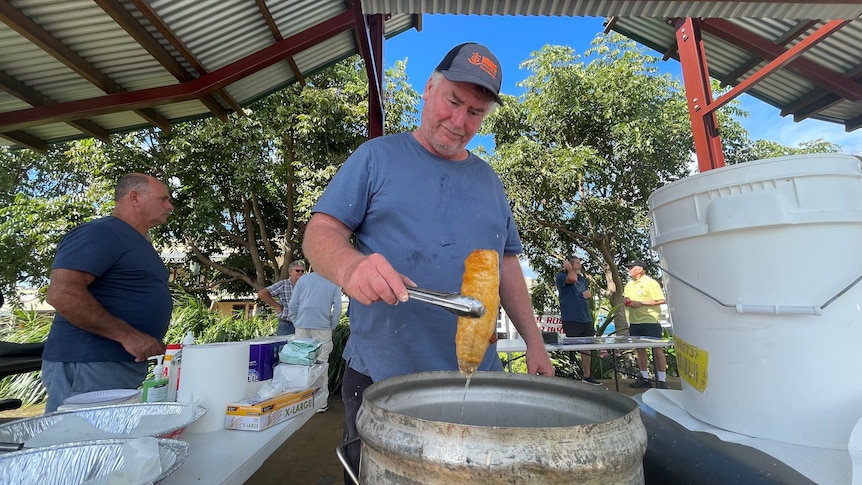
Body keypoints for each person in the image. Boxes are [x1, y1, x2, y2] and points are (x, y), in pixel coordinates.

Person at [303, 42, 555, 479]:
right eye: (453, 101)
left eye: (475, 113)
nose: (459, 122)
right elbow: (319, 233)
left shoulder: (489, 180)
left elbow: (507, 264)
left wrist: (534, 341)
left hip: (476, 383)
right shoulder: (376, 157)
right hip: (383, 379)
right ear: (429, 89)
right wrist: (350, 267)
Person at [41, 173, 174, 413]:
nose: (169, 206)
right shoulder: (102, 233)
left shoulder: (136, 241)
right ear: (134, 197)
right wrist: (128, 336)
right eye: (163, 199)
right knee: (77, 442)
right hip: (90, 364)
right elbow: (62, 293)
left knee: (108, 443)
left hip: (117, 364)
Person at [287, 270, 342, 413]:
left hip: (302, 325)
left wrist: (296, 321)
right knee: (321, 364)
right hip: (322, 327)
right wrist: (331, 326)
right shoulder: (334, 282)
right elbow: (337, 309)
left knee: (300, 364)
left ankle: (300, 401)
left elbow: (292, 304)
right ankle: (320, 403)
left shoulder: (303, 280)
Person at [623, 260, 669, 389]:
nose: (629, 270)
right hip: (634, 322)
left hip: (650, 321)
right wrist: (627, 302)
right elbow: (626, 299)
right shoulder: (629, 285)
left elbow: (661, 299)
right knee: (640, 350)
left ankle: (662, 380)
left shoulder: (650, 283)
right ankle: (644, 378)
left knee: (657, 349)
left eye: (631, 267)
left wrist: (642, 303)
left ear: (640, 269)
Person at [555, 255, 600, 385]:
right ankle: (571, 373)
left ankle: (587, 375)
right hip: (571, 318)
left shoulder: (581, 278)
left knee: (587, 347)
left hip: (585, 318)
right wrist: (569, 269)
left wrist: (589, 294)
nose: (580, 265)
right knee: (573, 347)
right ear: (569, 264)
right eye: (577, 263)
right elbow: (572, 278)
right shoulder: (562, 277)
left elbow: (584, 291)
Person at [257, 260, 306, 335]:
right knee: (284, 346)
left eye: (302, 271)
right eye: (297, 270)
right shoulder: (283, 284)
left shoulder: (307, 287)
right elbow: (262, 293)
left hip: (304, 326)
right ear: (290, 272)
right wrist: (277, 305)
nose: (300, 273)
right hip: (287, 325)